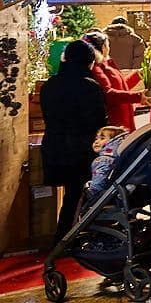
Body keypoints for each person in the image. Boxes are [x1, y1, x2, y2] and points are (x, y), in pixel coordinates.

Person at [40, 39, 107, 242]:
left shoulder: (50, 85)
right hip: (81, 150)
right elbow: (98, 122)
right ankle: (69, 237)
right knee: (81, 193)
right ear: (89, 61)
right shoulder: (90, 87)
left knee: (71, 194)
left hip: (54, 147)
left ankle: (64, 236)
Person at [82, 30, 145, 132]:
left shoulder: (105, 64)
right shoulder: (97, 68)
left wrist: (137, 76)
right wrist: (137, 96)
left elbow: (119, 85)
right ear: (103, 48)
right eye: (107, 45)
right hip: (115, 120)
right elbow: (108, 93)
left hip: (122, 115)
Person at [85, 126, 128, 203]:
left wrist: (92, 191)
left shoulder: (103, 160)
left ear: (113, 142)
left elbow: (100, 177)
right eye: (96, 138)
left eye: (102, 138)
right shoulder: (118, 158)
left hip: (103, 195)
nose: (96, 142)